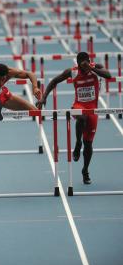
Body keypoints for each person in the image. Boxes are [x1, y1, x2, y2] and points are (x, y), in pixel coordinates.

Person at [37, 52, 111, 184]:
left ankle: (85, 170)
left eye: (86, 62)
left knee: (88, 144)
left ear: (89, 61)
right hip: (79, 105)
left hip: (93, 109)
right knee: (81, 118)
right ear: (77, 64)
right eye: (81, 64)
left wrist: (91, 68)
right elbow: (54, 81)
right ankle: (77, 143)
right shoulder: (73, 72)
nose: (84, 66)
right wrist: (44, 97)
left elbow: (109, 75)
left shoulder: (96, 67)